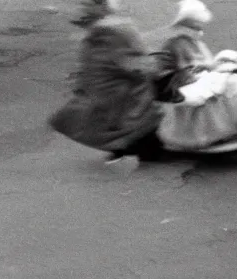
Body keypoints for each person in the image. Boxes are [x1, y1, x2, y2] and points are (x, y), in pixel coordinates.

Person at [155, 0, 237, 152]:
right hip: (192, 84)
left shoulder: (187, 42)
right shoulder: (178, 44)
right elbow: (190, 72)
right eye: (195, 26)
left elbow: (200, 65)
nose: (199, 31)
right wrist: (219, 66)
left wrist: (219, 64)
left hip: (198, 79)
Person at [49, 10, 164, 165]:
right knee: (133, 123)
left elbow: (123, 65)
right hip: (117, 93)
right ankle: (137, 150)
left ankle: (130, 149)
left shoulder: (96, 42)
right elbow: (132, 67)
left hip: (109, 93)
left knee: (114, 124)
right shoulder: (107, 42)